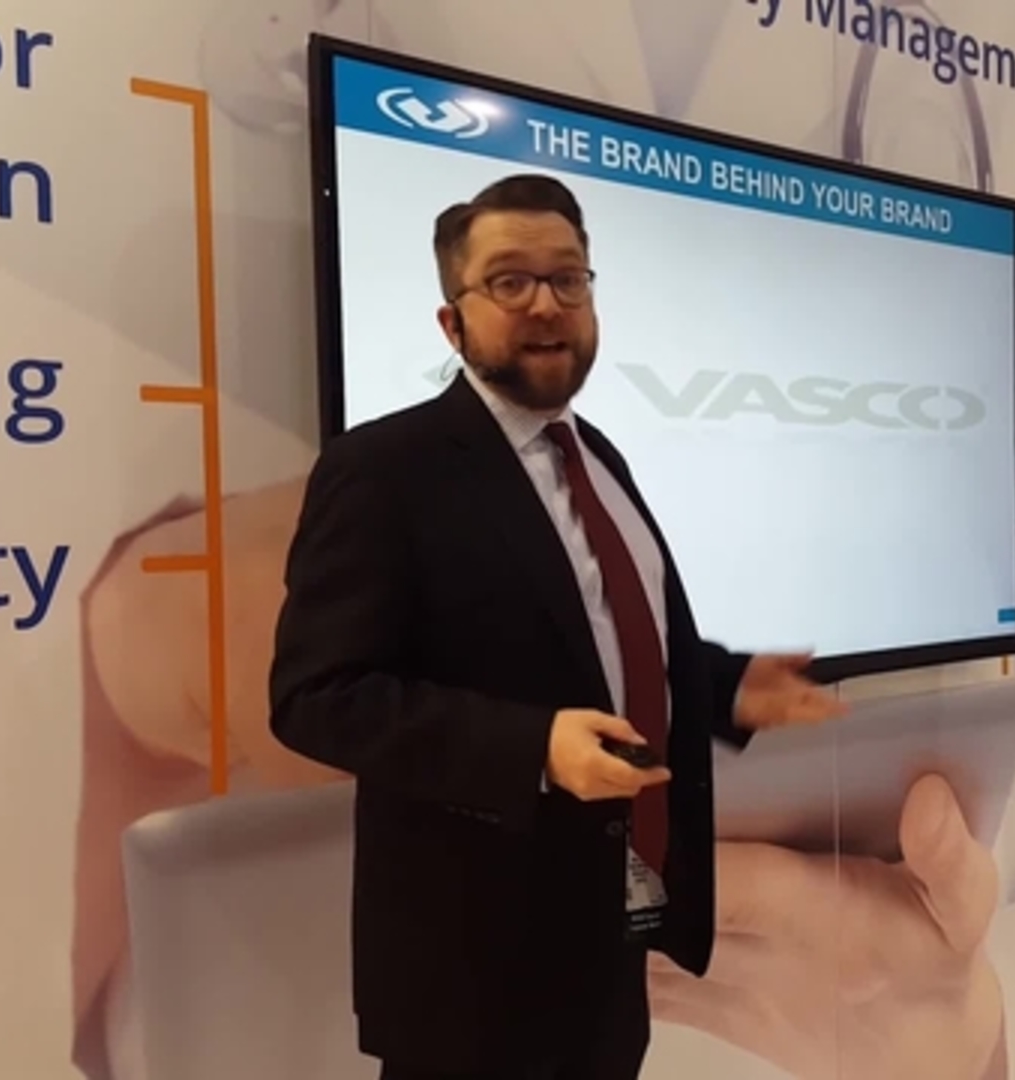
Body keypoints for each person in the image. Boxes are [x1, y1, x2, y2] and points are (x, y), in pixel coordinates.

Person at [264, 173, 848, 1080]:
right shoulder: (383, 470)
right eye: (510, 280)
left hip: (607, 942)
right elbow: (317, 696)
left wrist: (727, 685)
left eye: (568, 278)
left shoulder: (597, 455)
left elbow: (603, 639)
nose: (546, 304)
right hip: (471, 978)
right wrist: (534, 747)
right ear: (452, 322)